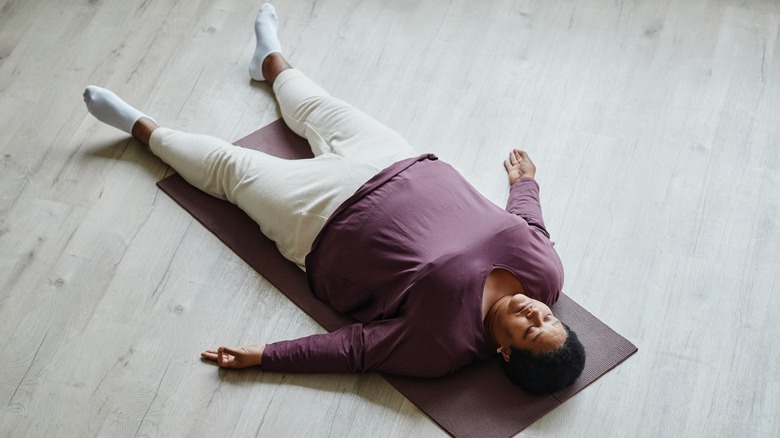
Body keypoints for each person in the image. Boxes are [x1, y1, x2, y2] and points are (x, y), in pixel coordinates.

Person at [83, 3, 585, 394]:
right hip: (399, 163)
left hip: (323, 219)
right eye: (546, 318)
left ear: (504, 352)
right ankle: (270, 60)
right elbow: (531, 228)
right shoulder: (548, 277)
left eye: (527, 329)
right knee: (316, 106)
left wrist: (266, 356)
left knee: (229, 169)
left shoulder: (442, 347)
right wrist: (525, 183)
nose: (533, 311)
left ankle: (137, 127)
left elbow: (356, 350)